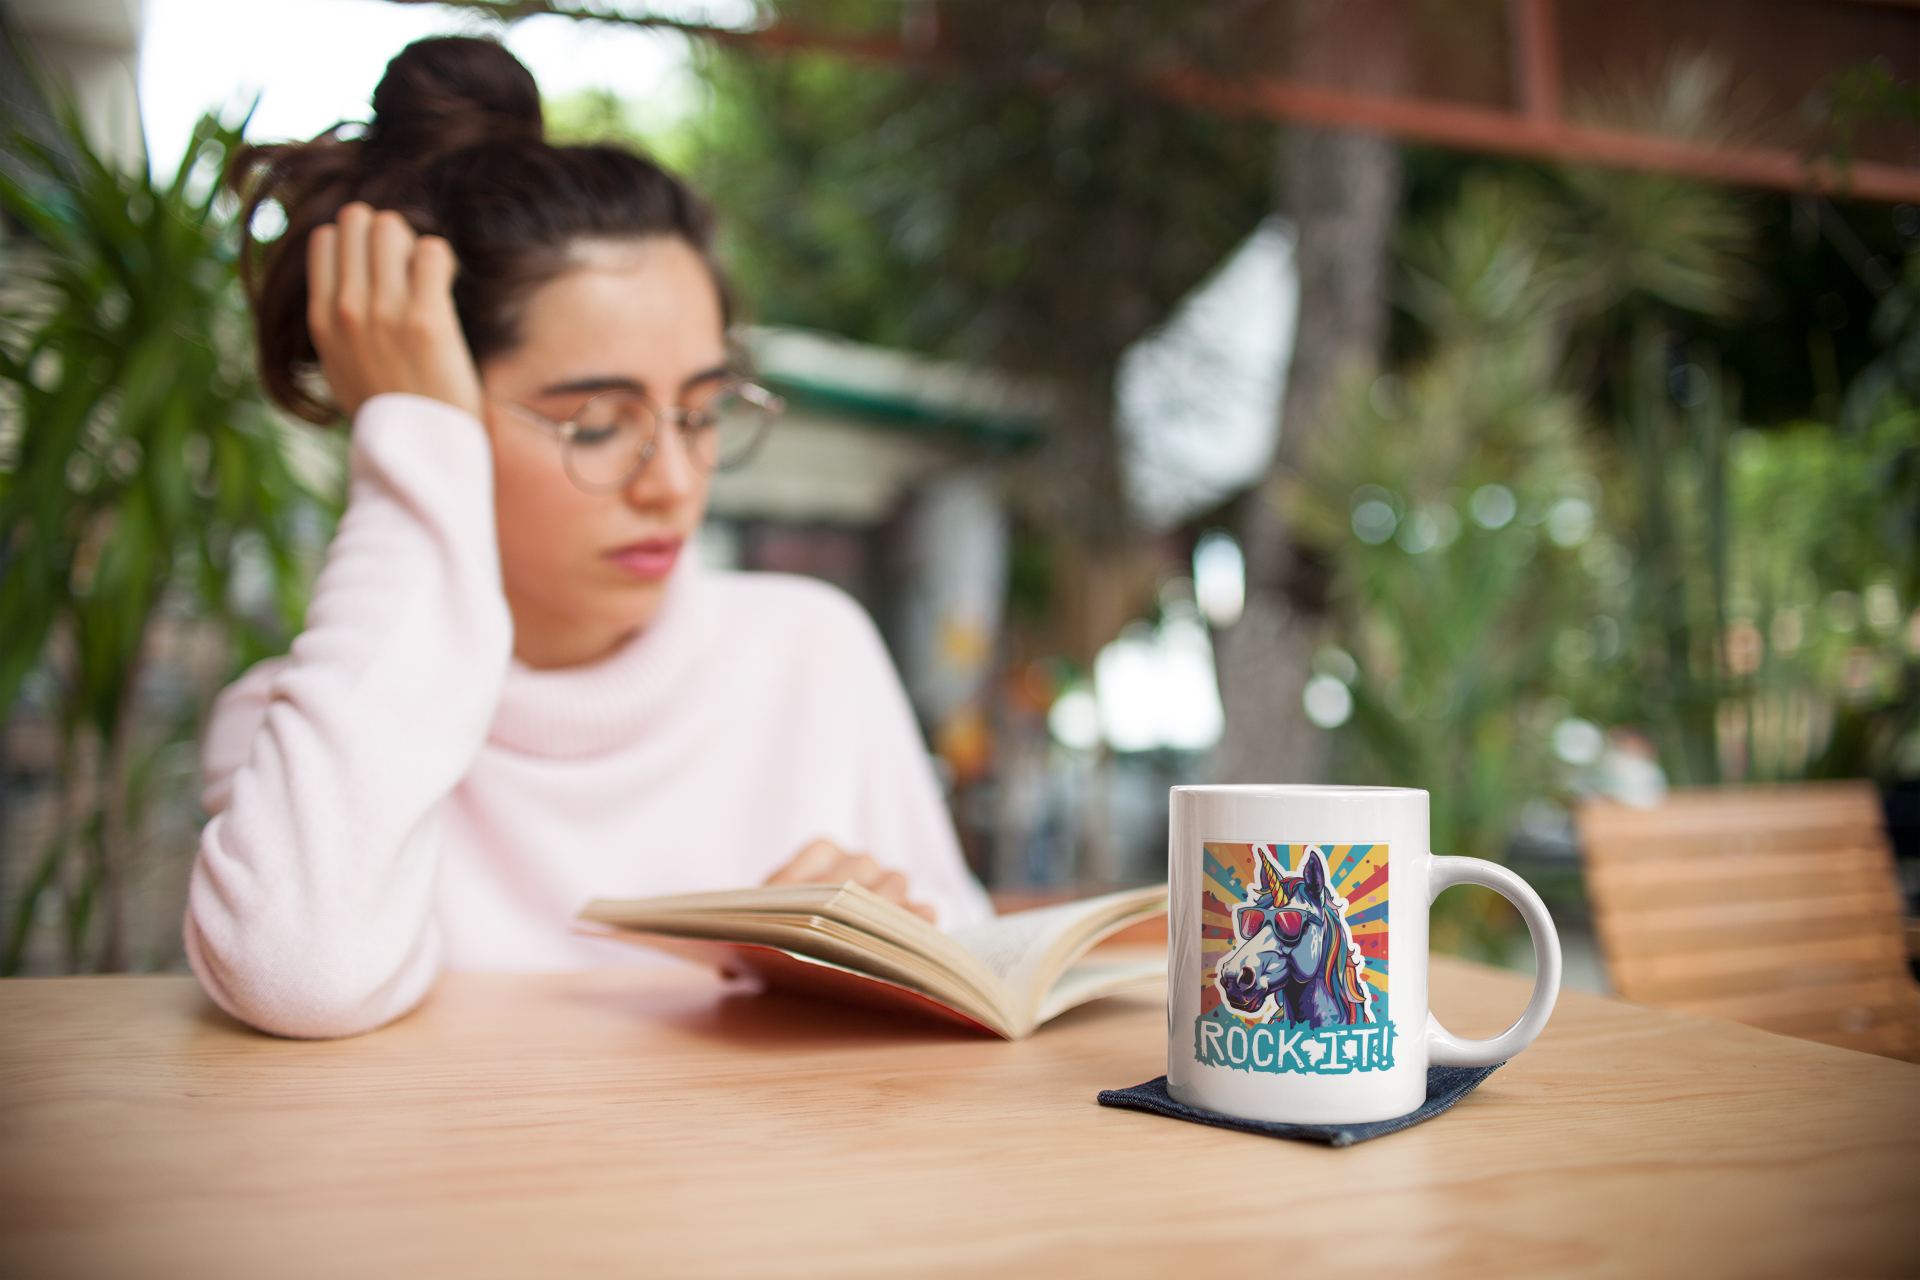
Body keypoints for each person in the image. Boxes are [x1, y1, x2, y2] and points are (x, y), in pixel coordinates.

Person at [187, 35, 991, 1040]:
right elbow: (298, 973)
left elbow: (975, 972)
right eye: (597, 424)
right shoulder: (301, 737)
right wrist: (407, 443)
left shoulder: (809, 653)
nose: (673, 482)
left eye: (701, 411)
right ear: (434, 414)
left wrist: (873, 960)